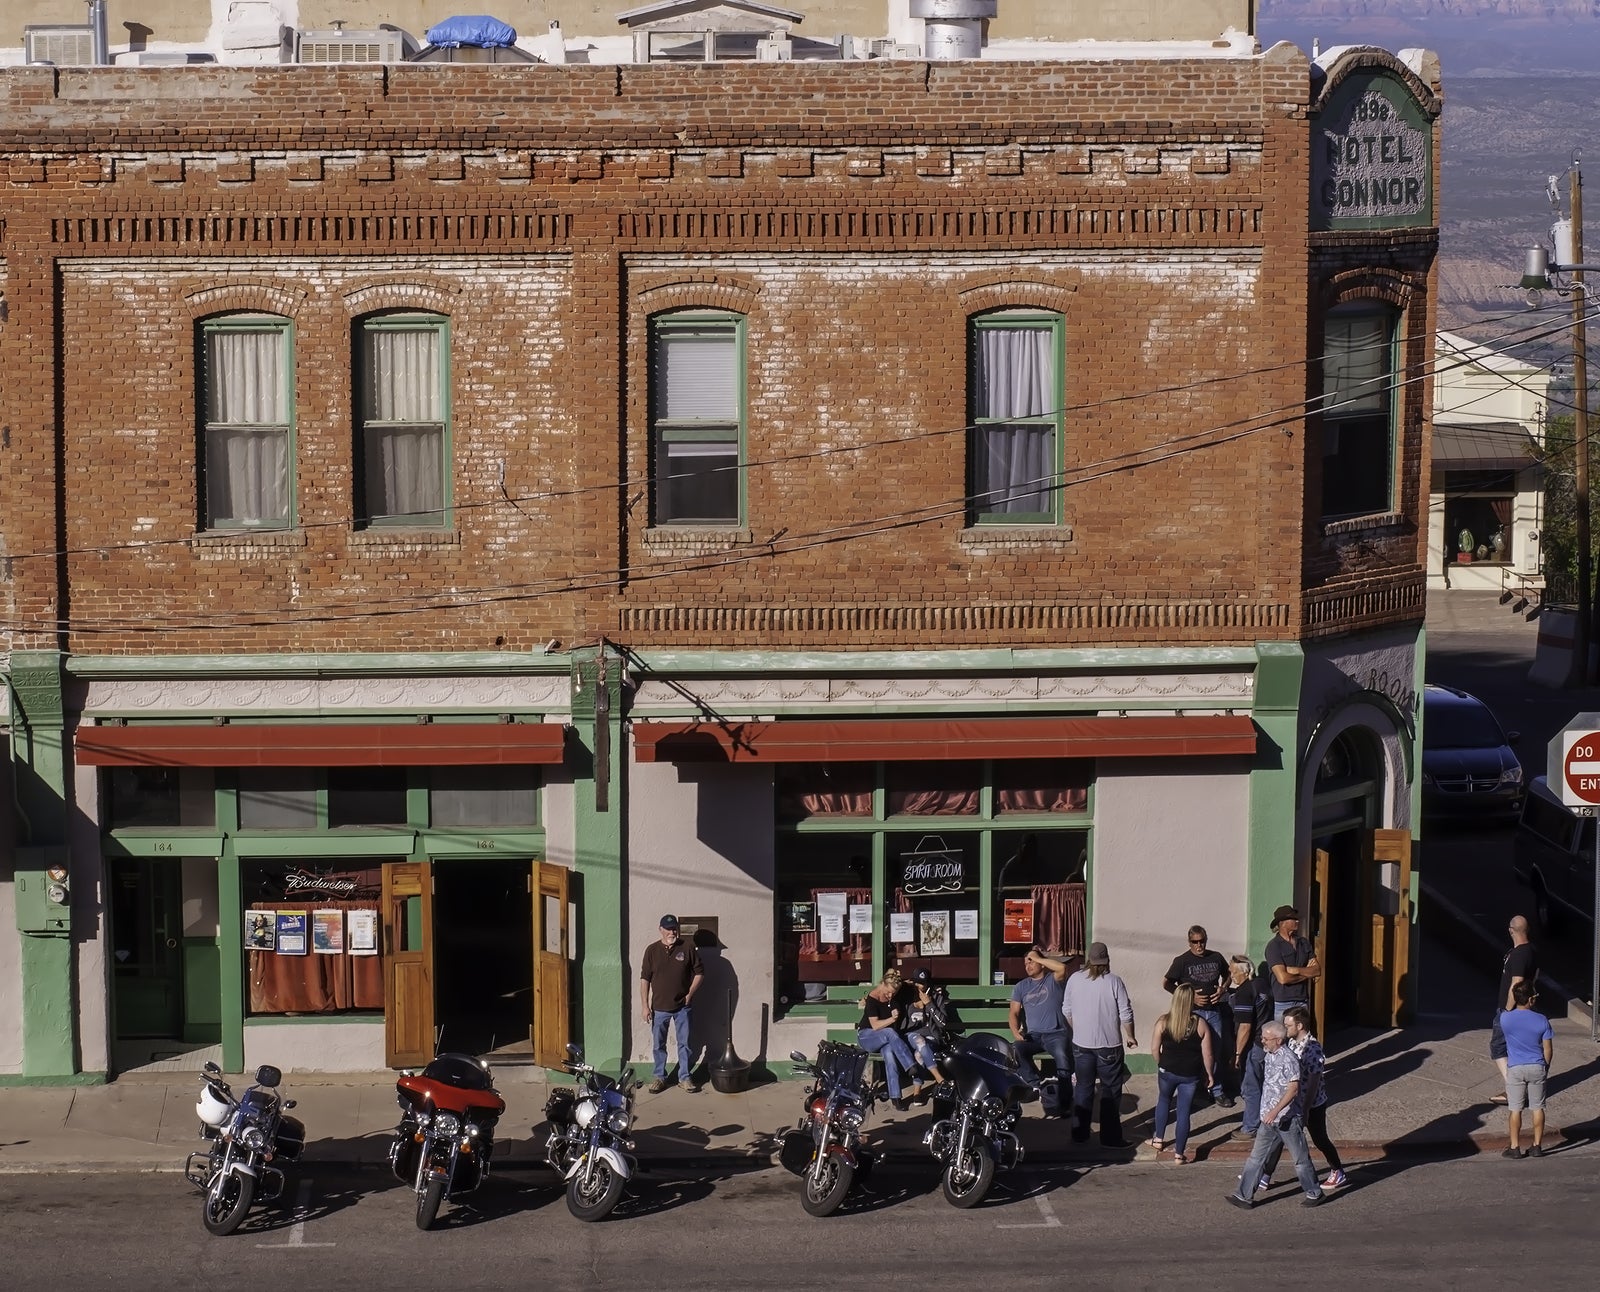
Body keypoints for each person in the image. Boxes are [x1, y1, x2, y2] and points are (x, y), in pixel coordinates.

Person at [1223, 1020, 1325, 1210]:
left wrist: (1275, 1111)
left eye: (1266, 1038)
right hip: (1268, 1120)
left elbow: (1293, 1089)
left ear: (1279, 1040)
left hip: (1288, 1119)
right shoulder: (1269, 1055)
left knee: (1300, 1159)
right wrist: (1266, 1112)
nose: (1263, 1041)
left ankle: (1315, 1192)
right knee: (1256, 1158)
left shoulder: (1289, 1059)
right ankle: (1243, 1195)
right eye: (1262, 1037)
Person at [1260, 1005, 1347, 1190]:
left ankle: (1337, 1170)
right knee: (1278, 1138)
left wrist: (1306, 1108)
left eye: (1288, 1025)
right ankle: (1265, 1174)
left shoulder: (1313, 1048)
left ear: (1299, 1026)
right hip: (1295, 1103)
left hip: (1312, 1104)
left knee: (1319, 1139)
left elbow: (1314, 1082)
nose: (1284, 1028)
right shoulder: (1290, 1043)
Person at [1061, 941, 1137, 1146]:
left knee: (1083, 1088)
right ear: (1107, 960)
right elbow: (1126, 1013)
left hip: (1081, 1044)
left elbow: (1066, 1010)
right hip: (1109, 1044)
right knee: (1110, 1091)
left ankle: (1080, 1133)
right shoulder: (1114, 981)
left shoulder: (1074, 979)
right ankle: (1110, 1137)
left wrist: (1078, 1029)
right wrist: (1130, 1036)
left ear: (1088, 959)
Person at [1162, 925, 1234, 1107]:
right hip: (1192, 1013)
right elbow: (1167, 983)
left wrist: (1223, 988)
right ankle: (1196, 1088)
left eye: (1202, 941)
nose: (1199, 945)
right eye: (1195, 942)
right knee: (1194, 1051)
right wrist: (1189, 997)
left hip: (1214, 1011)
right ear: (1189, 942)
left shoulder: (1216, 957)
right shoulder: (1182, 961)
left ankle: (1216, 1089)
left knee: (1215, 1051)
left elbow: (1228, 975)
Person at [1148, 984, 1216, 1164]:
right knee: (1183, 1112)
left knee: (1163, 1100)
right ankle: (1179, 1154)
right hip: (1190, 1075)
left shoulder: (1163, 1021)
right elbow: (1207, 1054)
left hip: (1167, 1071)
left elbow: (1155, 1049)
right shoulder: (1200, 1024)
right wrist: (1209, 1074)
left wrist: (1161, 1063)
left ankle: (1158, 1139)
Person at [639, 914, 703, 1094]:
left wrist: (690, 994)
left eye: (674, 928)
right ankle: (659, 1077)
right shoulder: (651, 950)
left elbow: (700, 973)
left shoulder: (688, 947)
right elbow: (645, 979)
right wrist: (644, 1006)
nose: (672, 932)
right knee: (658, 1045)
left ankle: (684, 1078)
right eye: (668, 928)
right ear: (660, 929)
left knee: (685, 1043)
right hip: (659, 1008)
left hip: (683, 1007)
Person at [1010, 946, 1073, 1118]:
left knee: (1062, 1058)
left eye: (1031, 962)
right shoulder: (1021, 987)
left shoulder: (1053, 980)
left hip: (1056, 1033)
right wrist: (1016, 1032)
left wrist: (1037, 957)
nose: (1028, 965)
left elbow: (1062, 968)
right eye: (1025, 963)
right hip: (1034, 1036)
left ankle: (1065, 1103)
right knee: (1015, 1048)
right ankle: (1036, 1085)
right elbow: (1014, 1013)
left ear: (1042, 964)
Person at [1500, 980, 1554, 1158]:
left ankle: (1514, 1147)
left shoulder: (1505, 1018)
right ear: (1531, 999)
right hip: (1537, 1065)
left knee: (1515, 1109)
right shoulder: (1542, 1020)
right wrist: (1545, 1067)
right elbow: (1547, 1049)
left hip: (1516, 1068)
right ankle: (1537, 1146)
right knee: (1537, 1107)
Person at [857, 973, 926, 1111]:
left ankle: (896, 1097)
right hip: (867, 1037)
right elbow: (875, 1025)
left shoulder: (894, 996)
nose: (890, 996)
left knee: (890, 1056)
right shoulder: (872, 998)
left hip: (887, 1039)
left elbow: (908, 984)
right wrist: (892, 1020)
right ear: (882, 984)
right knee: (889, 1031)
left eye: (893, 993)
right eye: (888, 992)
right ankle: (910, 1065)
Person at [1489, 915, 1538, 1106]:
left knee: (1498, 1047)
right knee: (1515, 1049)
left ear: (1511, 931)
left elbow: (1516, 983)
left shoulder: (1519, 955)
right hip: (1524, 1007)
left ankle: (1514, 1089)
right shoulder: (1531, 951)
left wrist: (1508, 1010)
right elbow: (1536, 976)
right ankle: (1520, 1086)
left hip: (1510, 1009)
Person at [1264, 904, 1319, 1023]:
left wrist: (1295, 970)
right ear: (1282, 923)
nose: (1297, 921)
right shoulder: (1274, 946)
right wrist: (1306, 974)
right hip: (1283, 1002)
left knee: (1302, 1039)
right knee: (1282, 1039)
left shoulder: (1303, 943)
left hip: (1302, 1000)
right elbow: (1283, 978)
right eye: (1293, 919)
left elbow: (1317, 970)